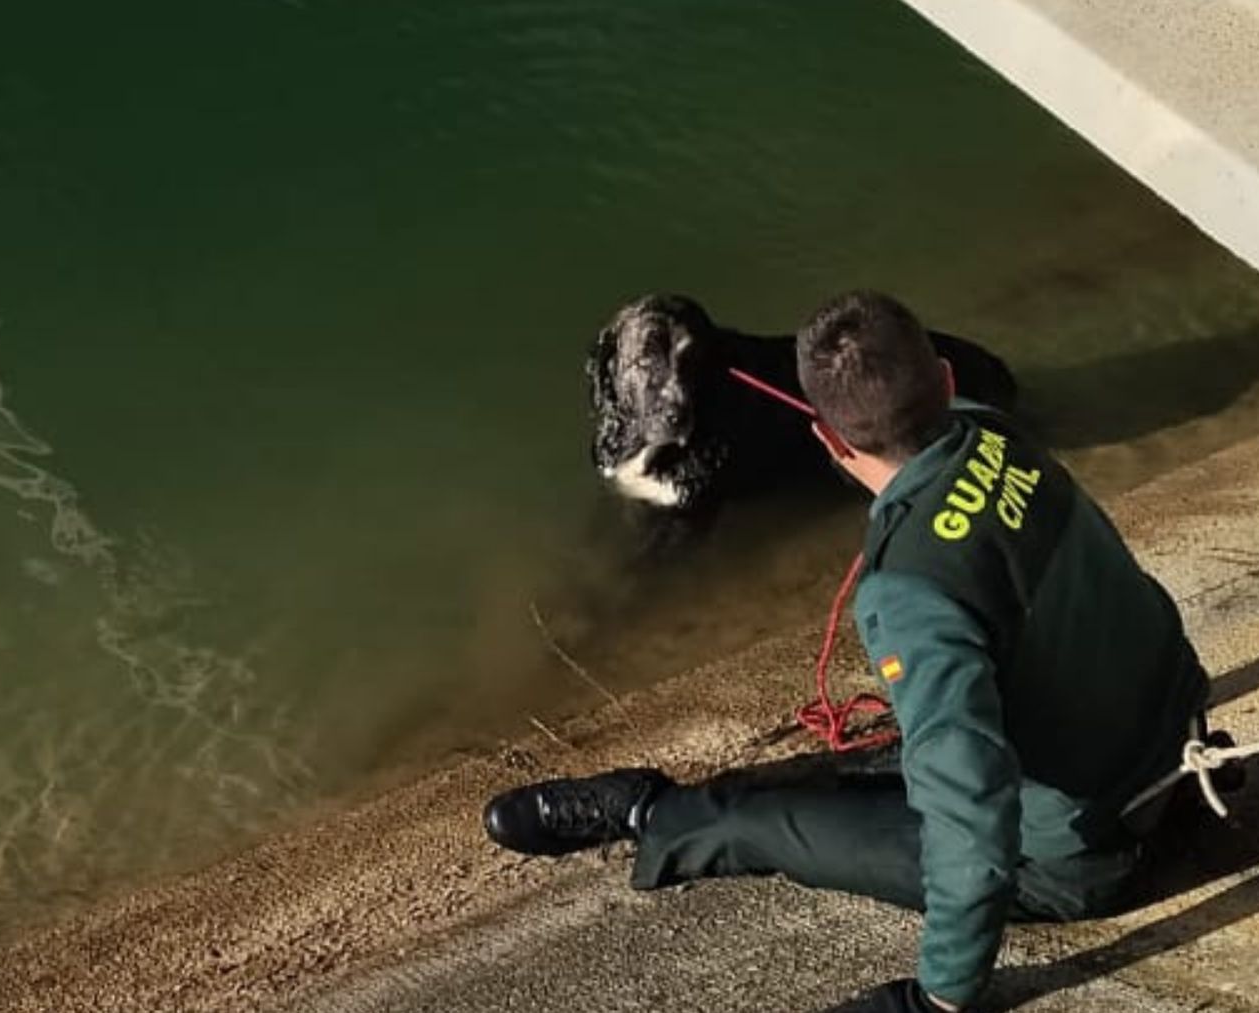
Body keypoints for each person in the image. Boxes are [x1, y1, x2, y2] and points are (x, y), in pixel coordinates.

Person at [483, 291, 1220, 1011]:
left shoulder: (910, 589)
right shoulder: (1001, 435)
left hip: (1082, 857)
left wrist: (940, 994)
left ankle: (650, 810)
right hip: (1174, 747)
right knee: (877, 763)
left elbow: (973, 818)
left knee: (767, 827)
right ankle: (679, 804)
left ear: (829, 440)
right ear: (950, 380)